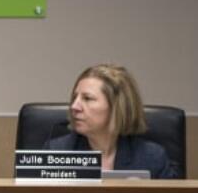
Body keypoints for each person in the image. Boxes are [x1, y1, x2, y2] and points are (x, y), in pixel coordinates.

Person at [43, 64, 180, 178]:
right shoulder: (56, 152)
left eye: (87, 98)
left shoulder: (151, 158)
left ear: (117, 107)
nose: (74, 106)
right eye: (75, 98)